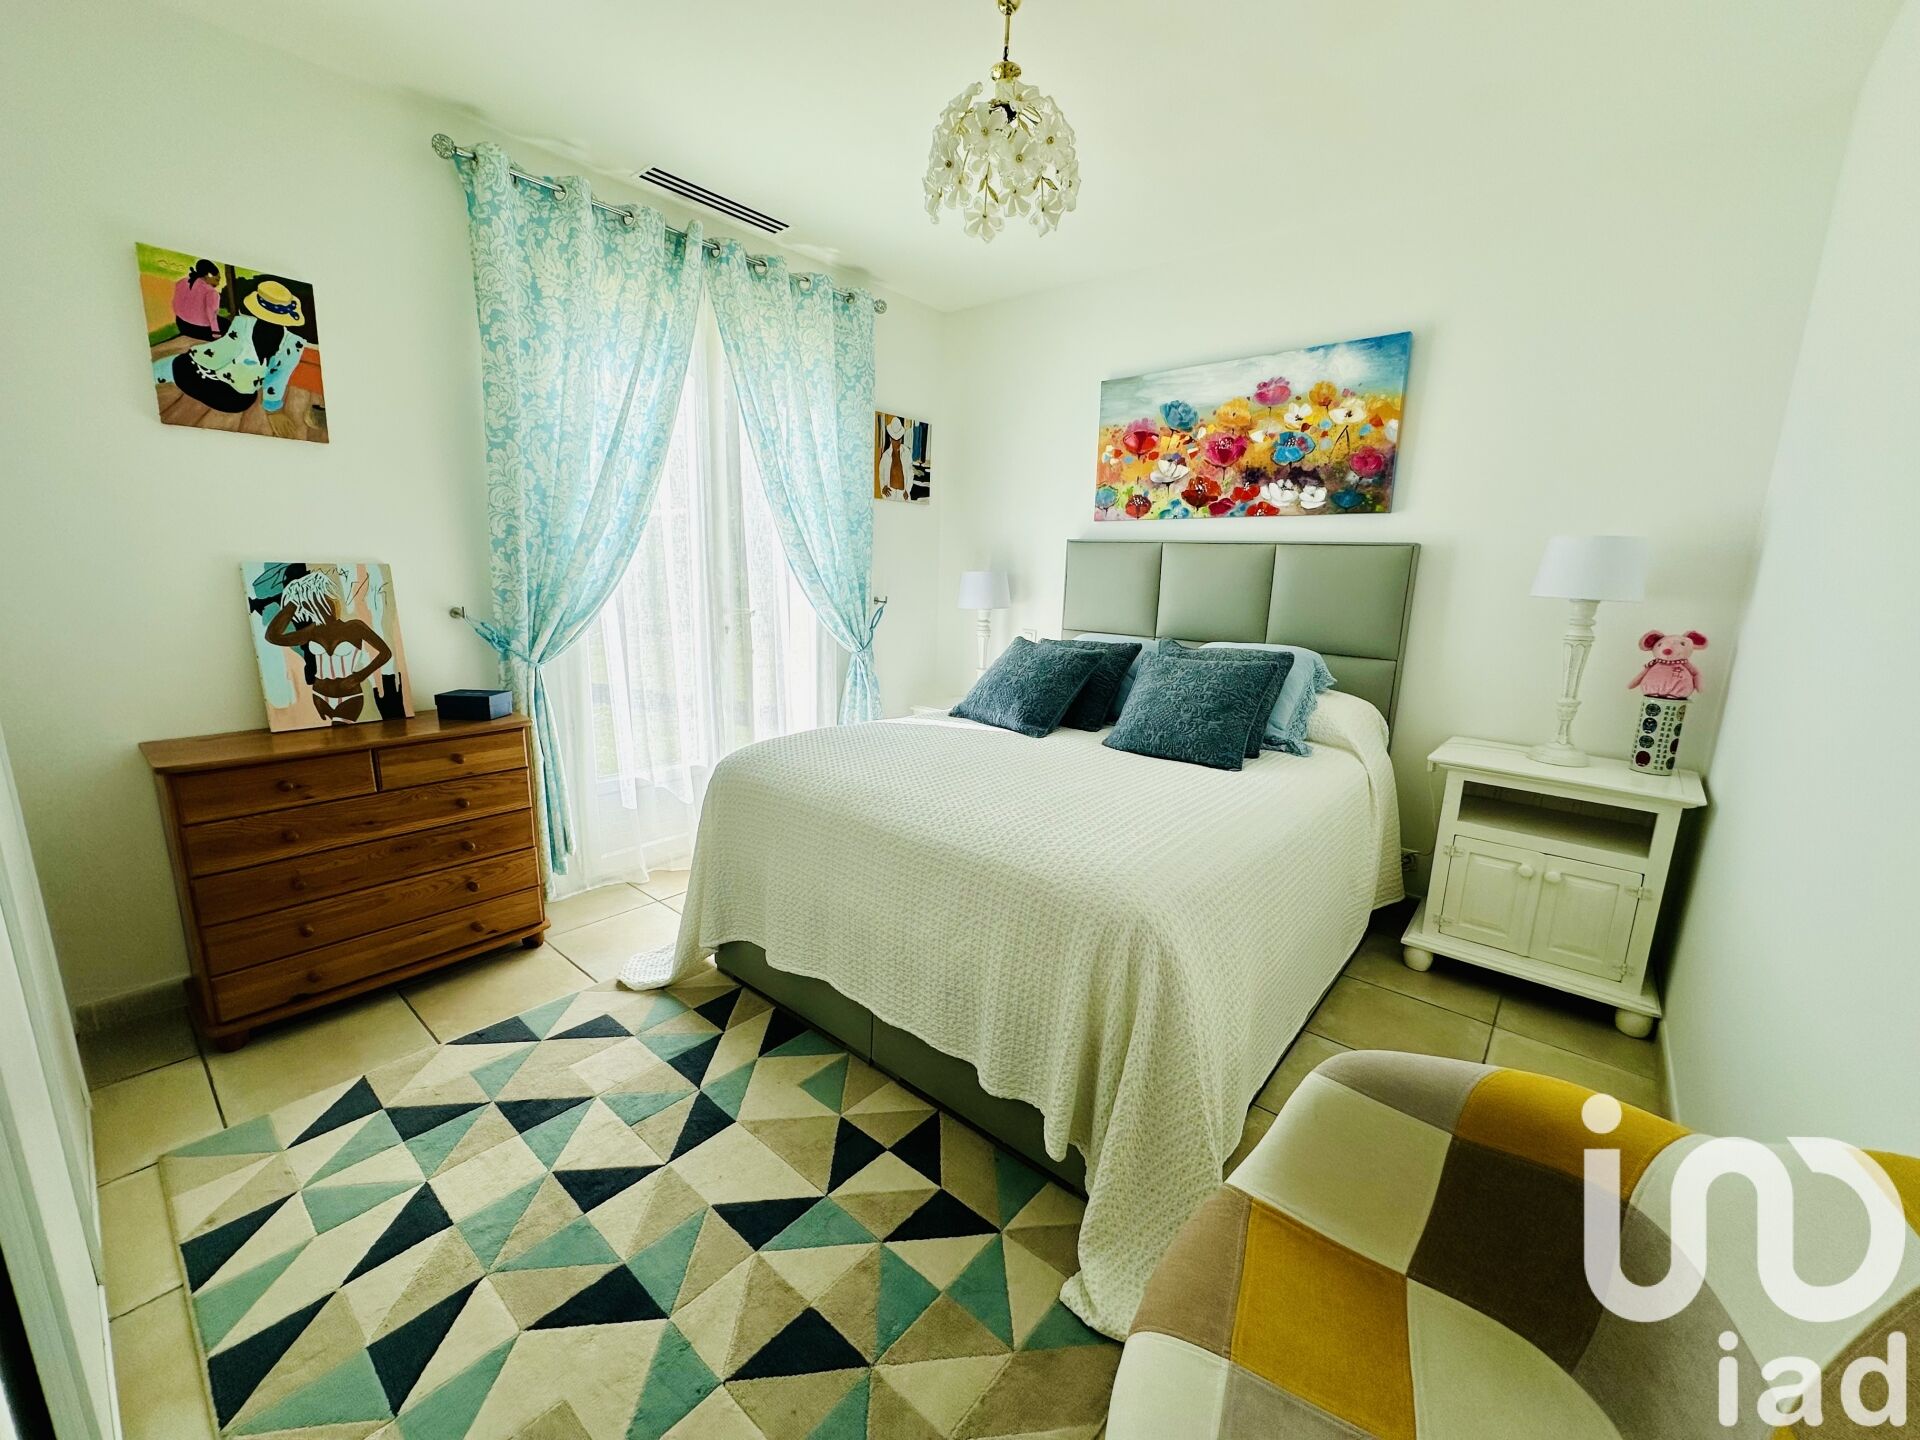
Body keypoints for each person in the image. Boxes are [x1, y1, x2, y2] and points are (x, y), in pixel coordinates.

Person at [152, 278, 308, 415]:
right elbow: (279, 376)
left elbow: (220, 352)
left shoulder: (243, 323)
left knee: (180, 363)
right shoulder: (294, 343)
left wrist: (194, 354)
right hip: (234, 399)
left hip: (214, 388)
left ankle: (154, 374)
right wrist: (271, 405)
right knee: (184, 365)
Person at [263, 567, 396, 725]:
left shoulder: (355, 627)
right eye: (327, 597)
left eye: (332, 597)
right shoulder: (312, 631)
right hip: (319, 695)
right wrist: (293, 601)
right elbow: (273, 636)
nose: (334, 601)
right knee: (327, 737)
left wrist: (359, 676)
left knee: (341, 735)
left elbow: (385, 653)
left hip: (349, 695)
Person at [169, 259, 225, 340]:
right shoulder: (211, 292)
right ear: (208, 275)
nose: (218, 284)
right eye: (217, 280)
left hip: (181, 324)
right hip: (199, 330)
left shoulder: (182, 282)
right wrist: (216, 333)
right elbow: (212, 314)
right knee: (227, 324)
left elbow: (176, 302)